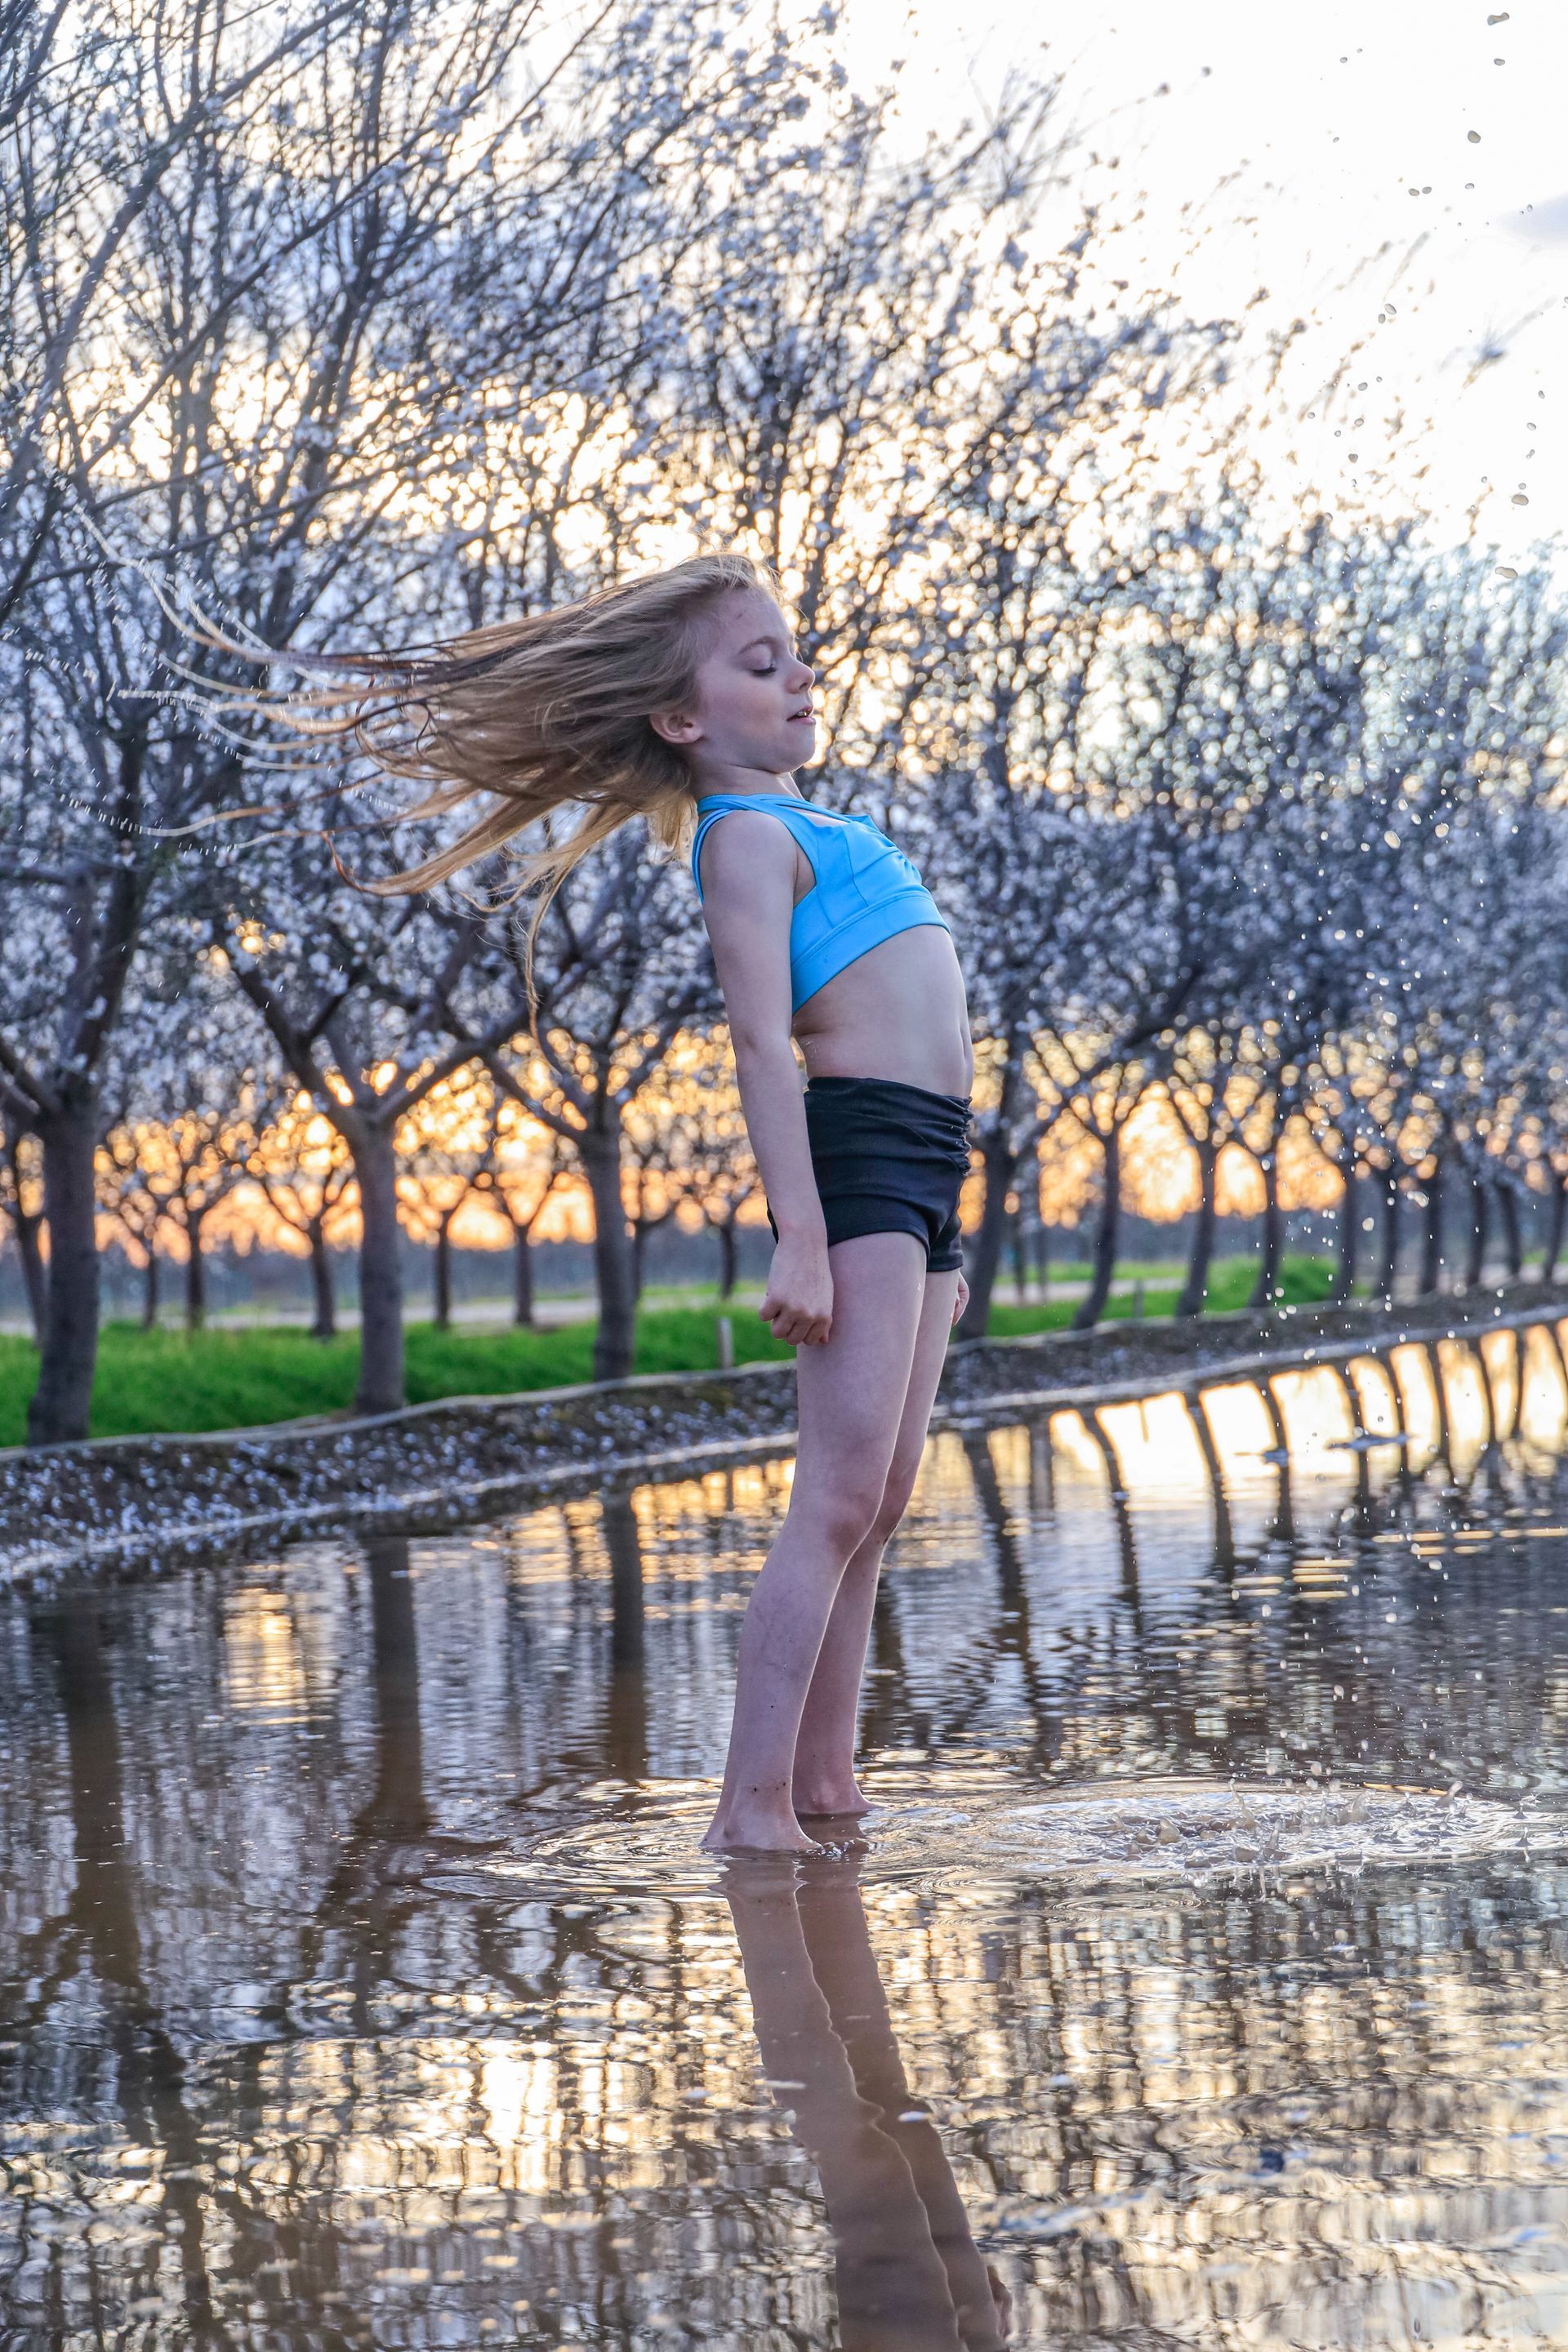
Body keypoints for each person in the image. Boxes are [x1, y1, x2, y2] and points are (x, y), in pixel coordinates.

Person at [274, 551, 974, 1853]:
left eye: (794, 651)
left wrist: (939, 1227)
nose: (799, 673)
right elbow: (765, 1047)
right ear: (681, 720)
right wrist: (803, 1239)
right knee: (834, 1495)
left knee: (881, 1501)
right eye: (760, 664)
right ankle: (749, 1807)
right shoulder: (747, 841)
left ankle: (829, 1782)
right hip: (863, 1159)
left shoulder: (822, 823)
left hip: (930, 1161)